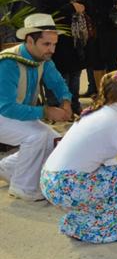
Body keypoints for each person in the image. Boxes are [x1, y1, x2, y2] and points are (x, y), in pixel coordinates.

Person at [41, 70, 117, 243]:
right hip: (67, 185)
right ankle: (100, 229)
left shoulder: (96, 112)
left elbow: (108, 159)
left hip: (50, 181)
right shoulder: (115, 123)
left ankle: (81, 220)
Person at [0, 14, 72, 201]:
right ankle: (22, 187)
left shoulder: (43, 58)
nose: (52, 50)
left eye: (54, 44)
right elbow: (6, 107)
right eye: (47, 44)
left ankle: (8, 167)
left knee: (53, 138)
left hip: (15, 114)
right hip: (4, 113)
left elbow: (57, 83)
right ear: (30, 40)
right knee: (37, 136)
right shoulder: (7, 62)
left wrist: (66, 101)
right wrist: (46, 111)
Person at [38, 0, 89, 116]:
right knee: (60, 75)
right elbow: (46, 15)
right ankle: (59, 108)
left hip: (76, 39)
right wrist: (70, 8)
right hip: (58, 41)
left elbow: (85, 3)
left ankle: (74, 104)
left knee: (75, 75)